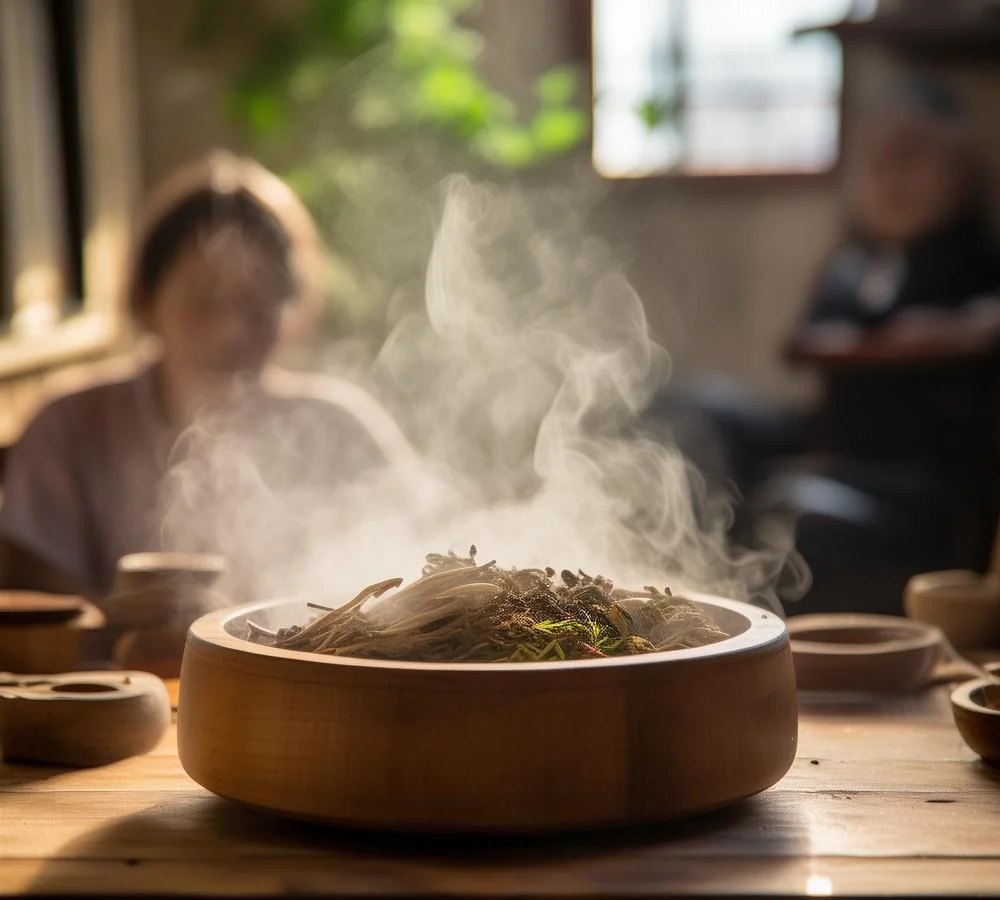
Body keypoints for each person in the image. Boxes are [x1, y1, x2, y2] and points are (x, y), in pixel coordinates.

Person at [0, 152, 411, 604]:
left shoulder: (339, 428)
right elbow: (33, 600)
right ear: (145, 302)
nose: (231, 328)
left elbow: (411, 565)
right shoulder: (70, 427)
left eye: (260, 301)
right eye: (204, 301)